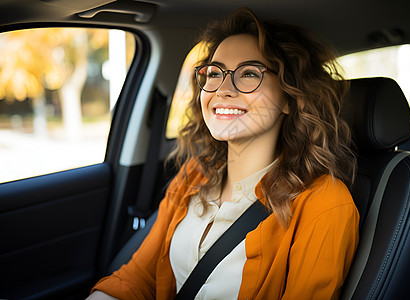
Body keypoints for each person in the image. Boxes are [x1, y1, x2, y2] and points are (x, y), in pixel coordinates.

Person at [88, 7, 359, 300]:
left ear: (289, 97)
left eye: (249, 74)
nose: (223, 89)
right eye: (215, 73)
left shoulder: (325, 204)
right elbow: (138, 277)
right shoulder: (194, 175)